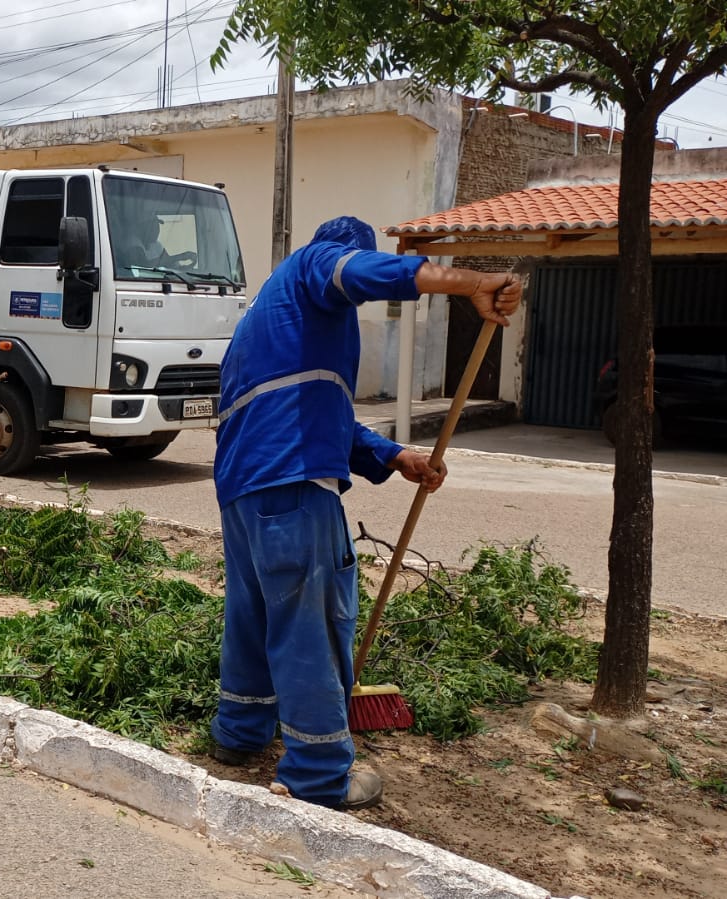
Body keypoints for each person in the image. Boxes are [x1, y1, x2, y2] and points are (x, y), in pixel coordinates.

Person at [210, 216, 521, 811]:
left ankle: (239, 732)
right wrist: (472, 282)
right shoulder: (313, 267)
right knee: (311, 625)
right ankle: (319, 773)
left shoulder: (269, 320)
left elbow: (320, 412)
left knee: (254, 616)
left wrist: (396, 456)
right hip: (296, 485)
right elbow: (356, 270)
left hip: (245, 491)